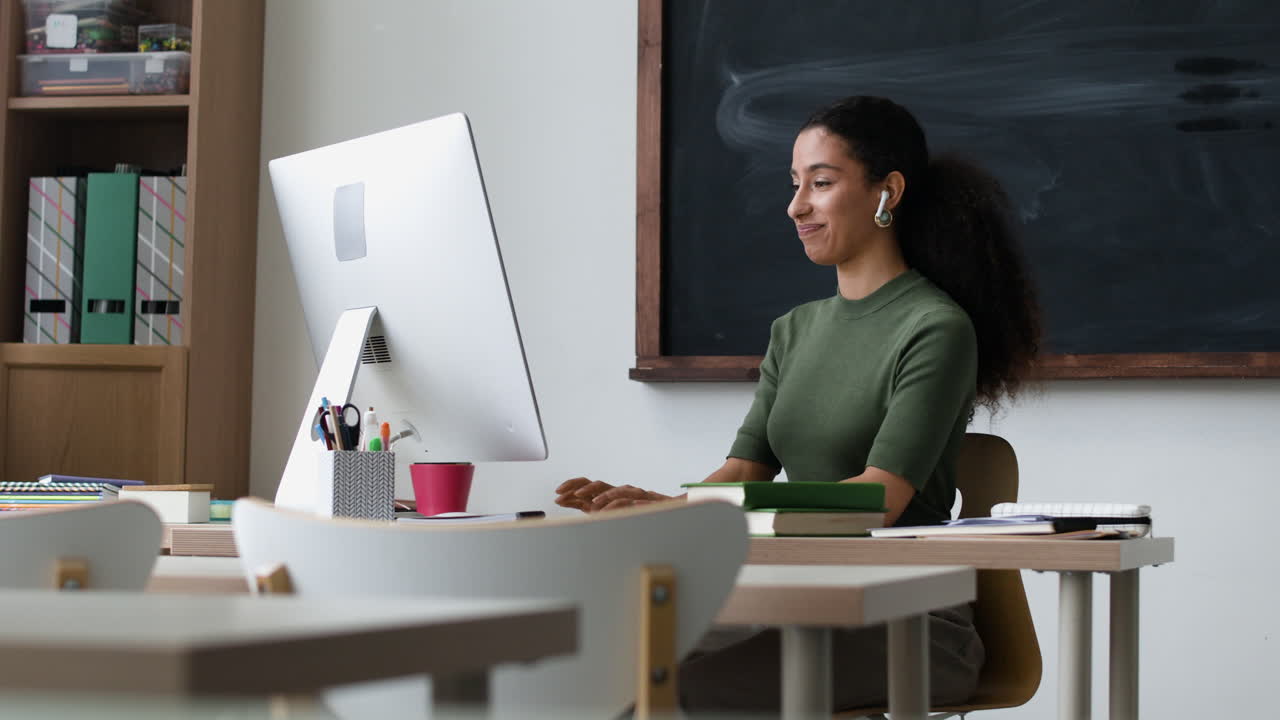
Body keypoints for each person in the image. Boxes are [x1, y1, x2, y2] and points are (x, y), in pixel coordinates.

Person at [554, 95, 1041, 712]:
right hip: (792, 598)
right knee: (591, 675)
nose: (796, 206)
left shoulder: (935, 328)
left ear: (887, 191)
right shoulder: (794, 330)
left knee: (662, 699)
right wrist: (668, 510)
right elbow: (743, 470)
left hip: (906, 620)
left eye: (821, 182)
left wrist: (689, 512)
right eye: (794, 184)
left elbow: (877, 499)